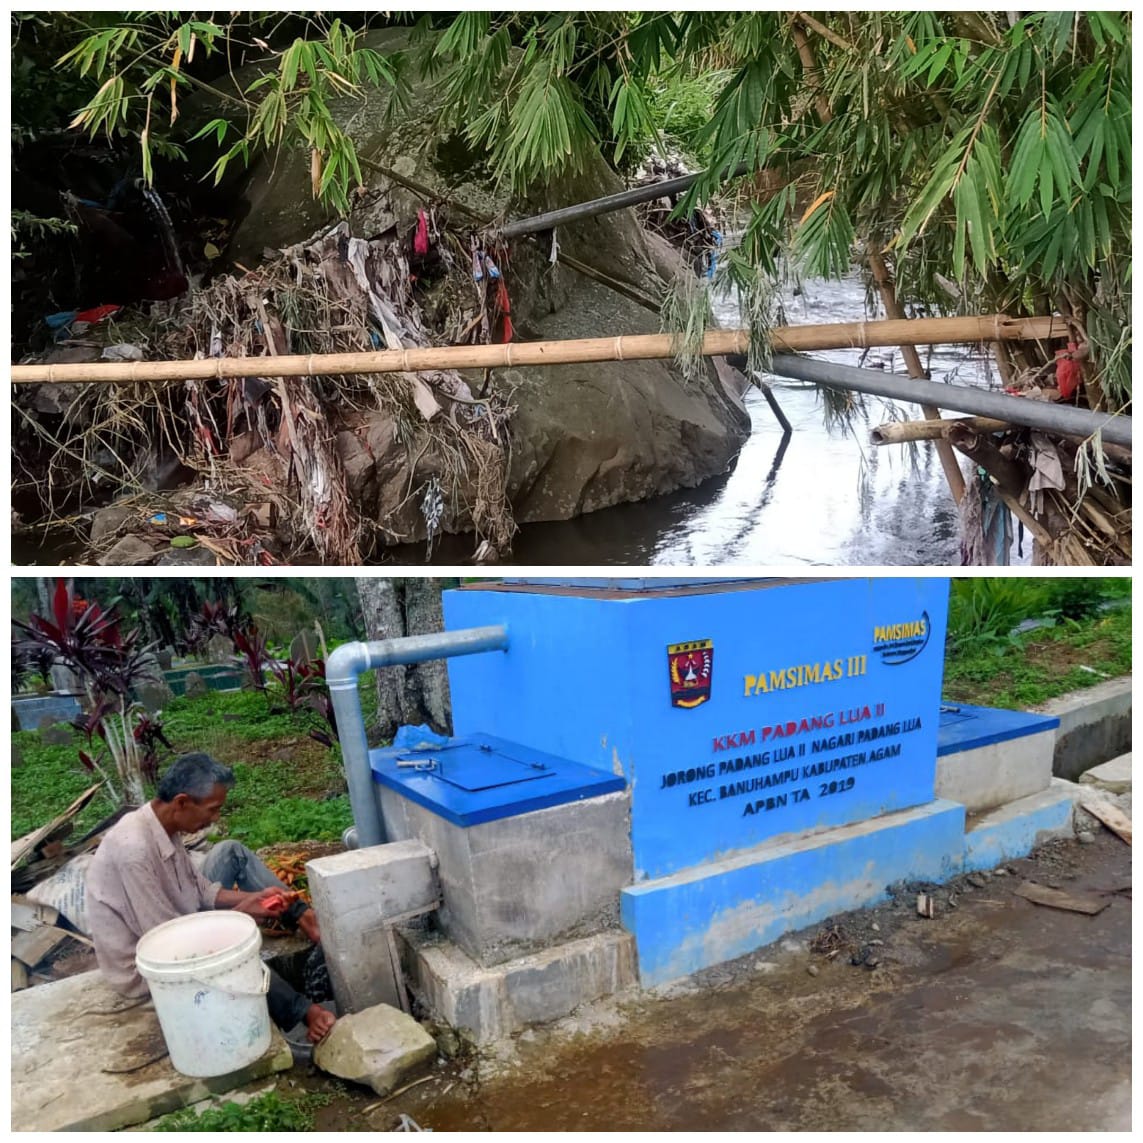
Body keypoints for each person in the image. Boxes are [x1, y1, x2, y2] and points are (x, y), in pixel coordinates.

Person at [86, 752, 336, 1043]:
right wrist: (239, 916)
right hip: (150, 966)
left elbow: (200, 890)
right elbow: (172, 948)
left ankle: (305, 917)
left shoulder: (164, 824)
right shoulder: (134, 851)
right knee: (230, 952)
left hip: (176, 925)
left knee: (231, 851)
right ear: (182, 802)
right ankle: (302, 1011)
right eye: (212, 809)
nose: (215, 818)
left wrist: (255, 897)